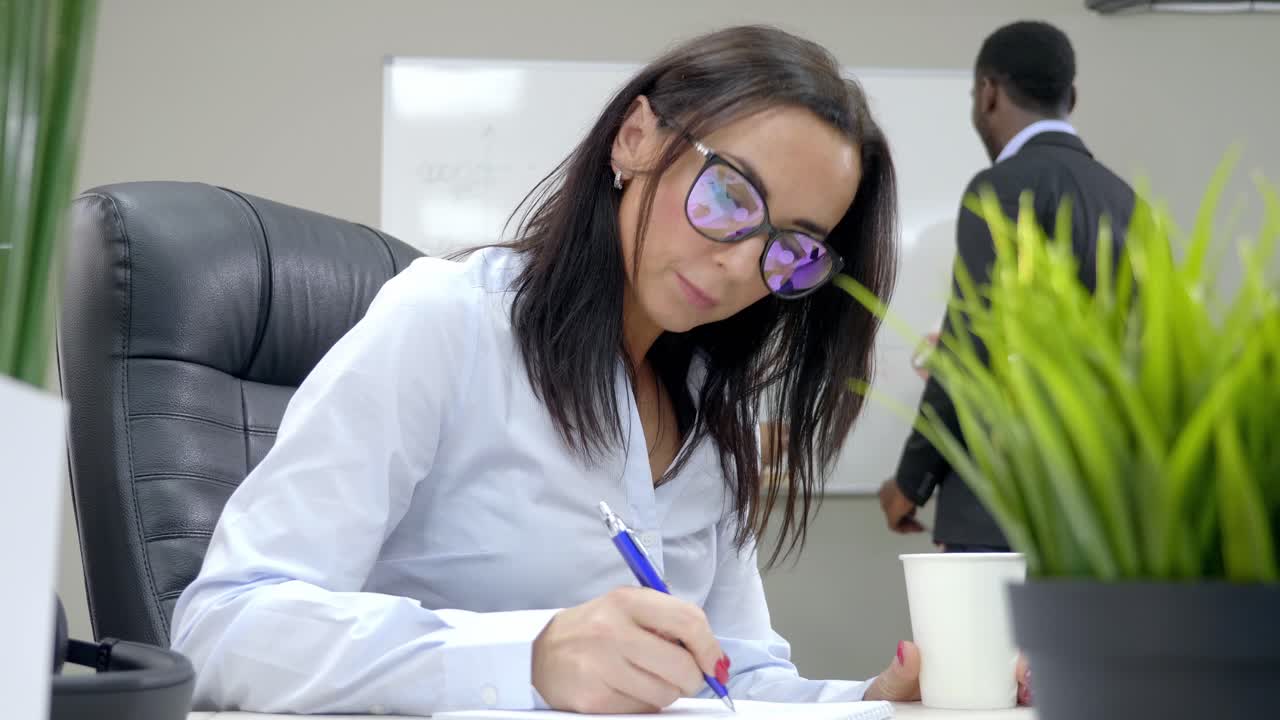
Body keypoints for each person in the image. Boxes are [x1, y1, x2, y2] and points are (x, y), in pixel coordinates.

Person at [170, 25, 1029, 716]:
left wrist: (876, 701)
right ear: (635, 138)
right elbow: (222, 629)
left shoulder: (707, 409)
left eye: (792, 247)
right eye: (730, 196)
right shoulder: (449, 324)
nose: (742, 264)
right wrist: (529, 658)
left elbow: (732, 681)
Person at [879, 20, 1137, 554]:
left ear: (988, 94)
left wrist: (911, 481)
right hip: (1103, 509)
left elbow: (971, 346)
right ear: (1071, 97)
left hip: (999, 507)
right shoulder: (1124, 198)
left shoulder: (1002, 187)